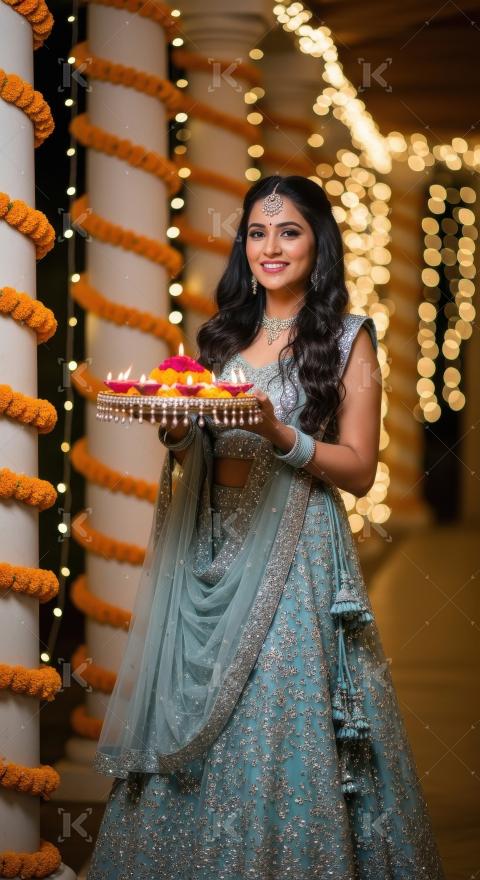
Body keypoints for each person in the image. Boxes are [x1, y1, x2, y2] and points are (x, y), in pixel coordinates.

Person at [86, 175, 445, 879]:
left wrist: (278, 432)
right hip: (211, 547)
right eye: (257, 231)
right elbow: (201, 448)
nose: (270, 247)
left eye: (289, 231)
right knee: (194, 703)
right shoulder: (220, 337)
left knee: (279, 713)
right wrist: (176, 434)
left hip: (295, 554)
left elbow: (361, 470)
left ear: (318, 244)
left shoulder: (347, 341)